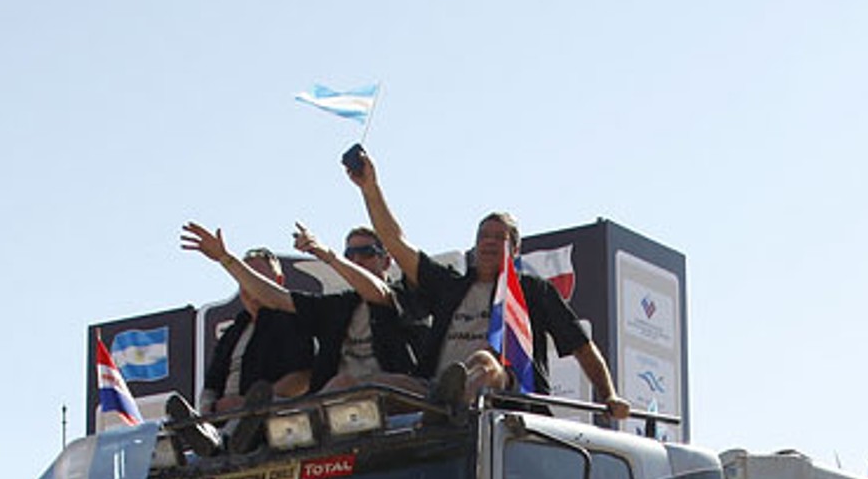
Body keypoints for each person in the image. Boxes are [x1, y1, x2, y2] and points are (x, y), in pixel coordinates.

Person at [344, 151, 631, 418]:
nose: (489, 242)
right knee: (374, 383)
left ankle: (450, 413)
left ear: (515, 250)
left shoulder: (533, 291)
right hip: (433, 391)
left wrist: (610, 395)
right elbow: (395, 242)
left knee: (482, 361)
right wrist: (369, 188)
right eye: (483, 236)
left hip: (509, 391)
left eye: (499, 237)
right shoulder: (450, 286)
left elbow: (582, 346)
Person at [181, 221, 421, 392]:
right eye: (351, 254)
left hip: (406, 399)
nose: (357, 260)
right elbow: (276, 298)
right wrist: (225, 259)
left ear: (387, 261)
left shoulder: (405, 296)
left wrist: (327, 255)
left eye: (367, 253)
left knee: (342, 384)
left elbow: (377, 292)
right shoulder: (337, 307)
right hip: (345, 409)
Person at [193, 243, 314, 416]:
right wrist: (209, 409)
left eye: (258, 280)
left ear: (278, 281)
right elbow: (211, 385)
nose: (251, 288)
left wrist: (251, 402)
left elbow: (304, 377)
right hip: (223, 421)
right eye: (245, 281)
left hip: (272, 416)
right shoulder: (232, 333)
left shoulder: (296, 320)